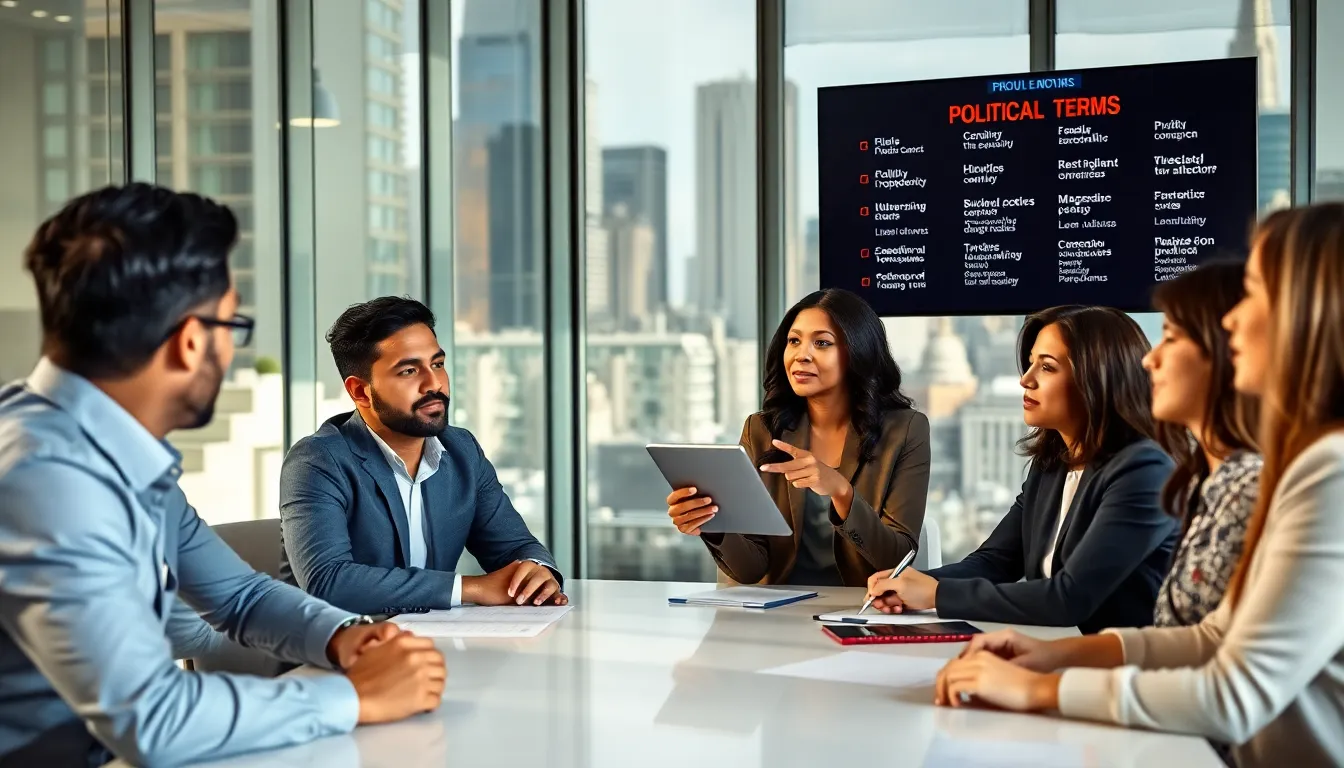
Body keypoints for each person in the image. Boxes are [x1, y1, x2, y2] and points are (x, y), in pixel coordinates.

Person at [0, 184, 445, 767]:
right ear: (191, 341)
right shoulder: (49, 478)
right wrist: (354, 698)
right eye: (232, 326)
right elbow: (152, 720)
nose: (232, 352)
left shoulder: (108, 447)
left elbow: (238, 595)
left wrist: (346, 636)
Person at [932, 203, 1344, 768]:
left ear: (1308, 312)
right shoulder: (1291, 466)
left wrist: (1043, 687)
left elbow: (1232, 695)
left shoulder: (1327, 471)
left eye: (1252, 293)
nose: (1231, 321)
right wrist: (1054, 657)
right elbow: (1211, 638)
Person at [866, 305, 1178, 633]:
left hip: (1125, 660)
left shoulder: (1145, 471)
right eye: (1030, 363)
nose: (1026, 379)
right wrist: (909, 583)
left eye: (1047, 367)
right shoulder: (1051, 465)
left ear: (1098, 378)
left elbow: (1069, 598)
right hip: (1056, 648)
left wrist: (936, 594)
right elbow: (995, 562)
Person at [280, 297, 564, 616]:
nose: (434, 384)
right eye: (409, 371)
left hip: (432, 637)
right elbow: (328, 581)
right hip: (337, 642)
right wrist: (471, 588)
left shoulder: (461, 449)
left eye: (438, 364)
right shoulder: (317, 461)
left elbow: (515, 546)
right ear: (360, 392)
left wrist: (537, 573)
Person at [666, 288, 931, 586]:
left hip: (863, 605)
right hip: (780, 608)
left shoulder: (906, 430)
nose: (801, 355)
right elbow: (751, 571)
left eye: (822, 343)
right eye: (794, 341)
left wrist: (840, 491)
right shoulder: (762, 430)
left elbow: (896, 560)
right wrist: (712, 523)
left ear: (858, 352)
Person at [1145, 263, 1262, 628]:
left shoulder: (1250, 486)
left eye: (1171, 337)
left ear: (1227, 348)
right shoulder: (1206, 479)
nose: (1150, 359)